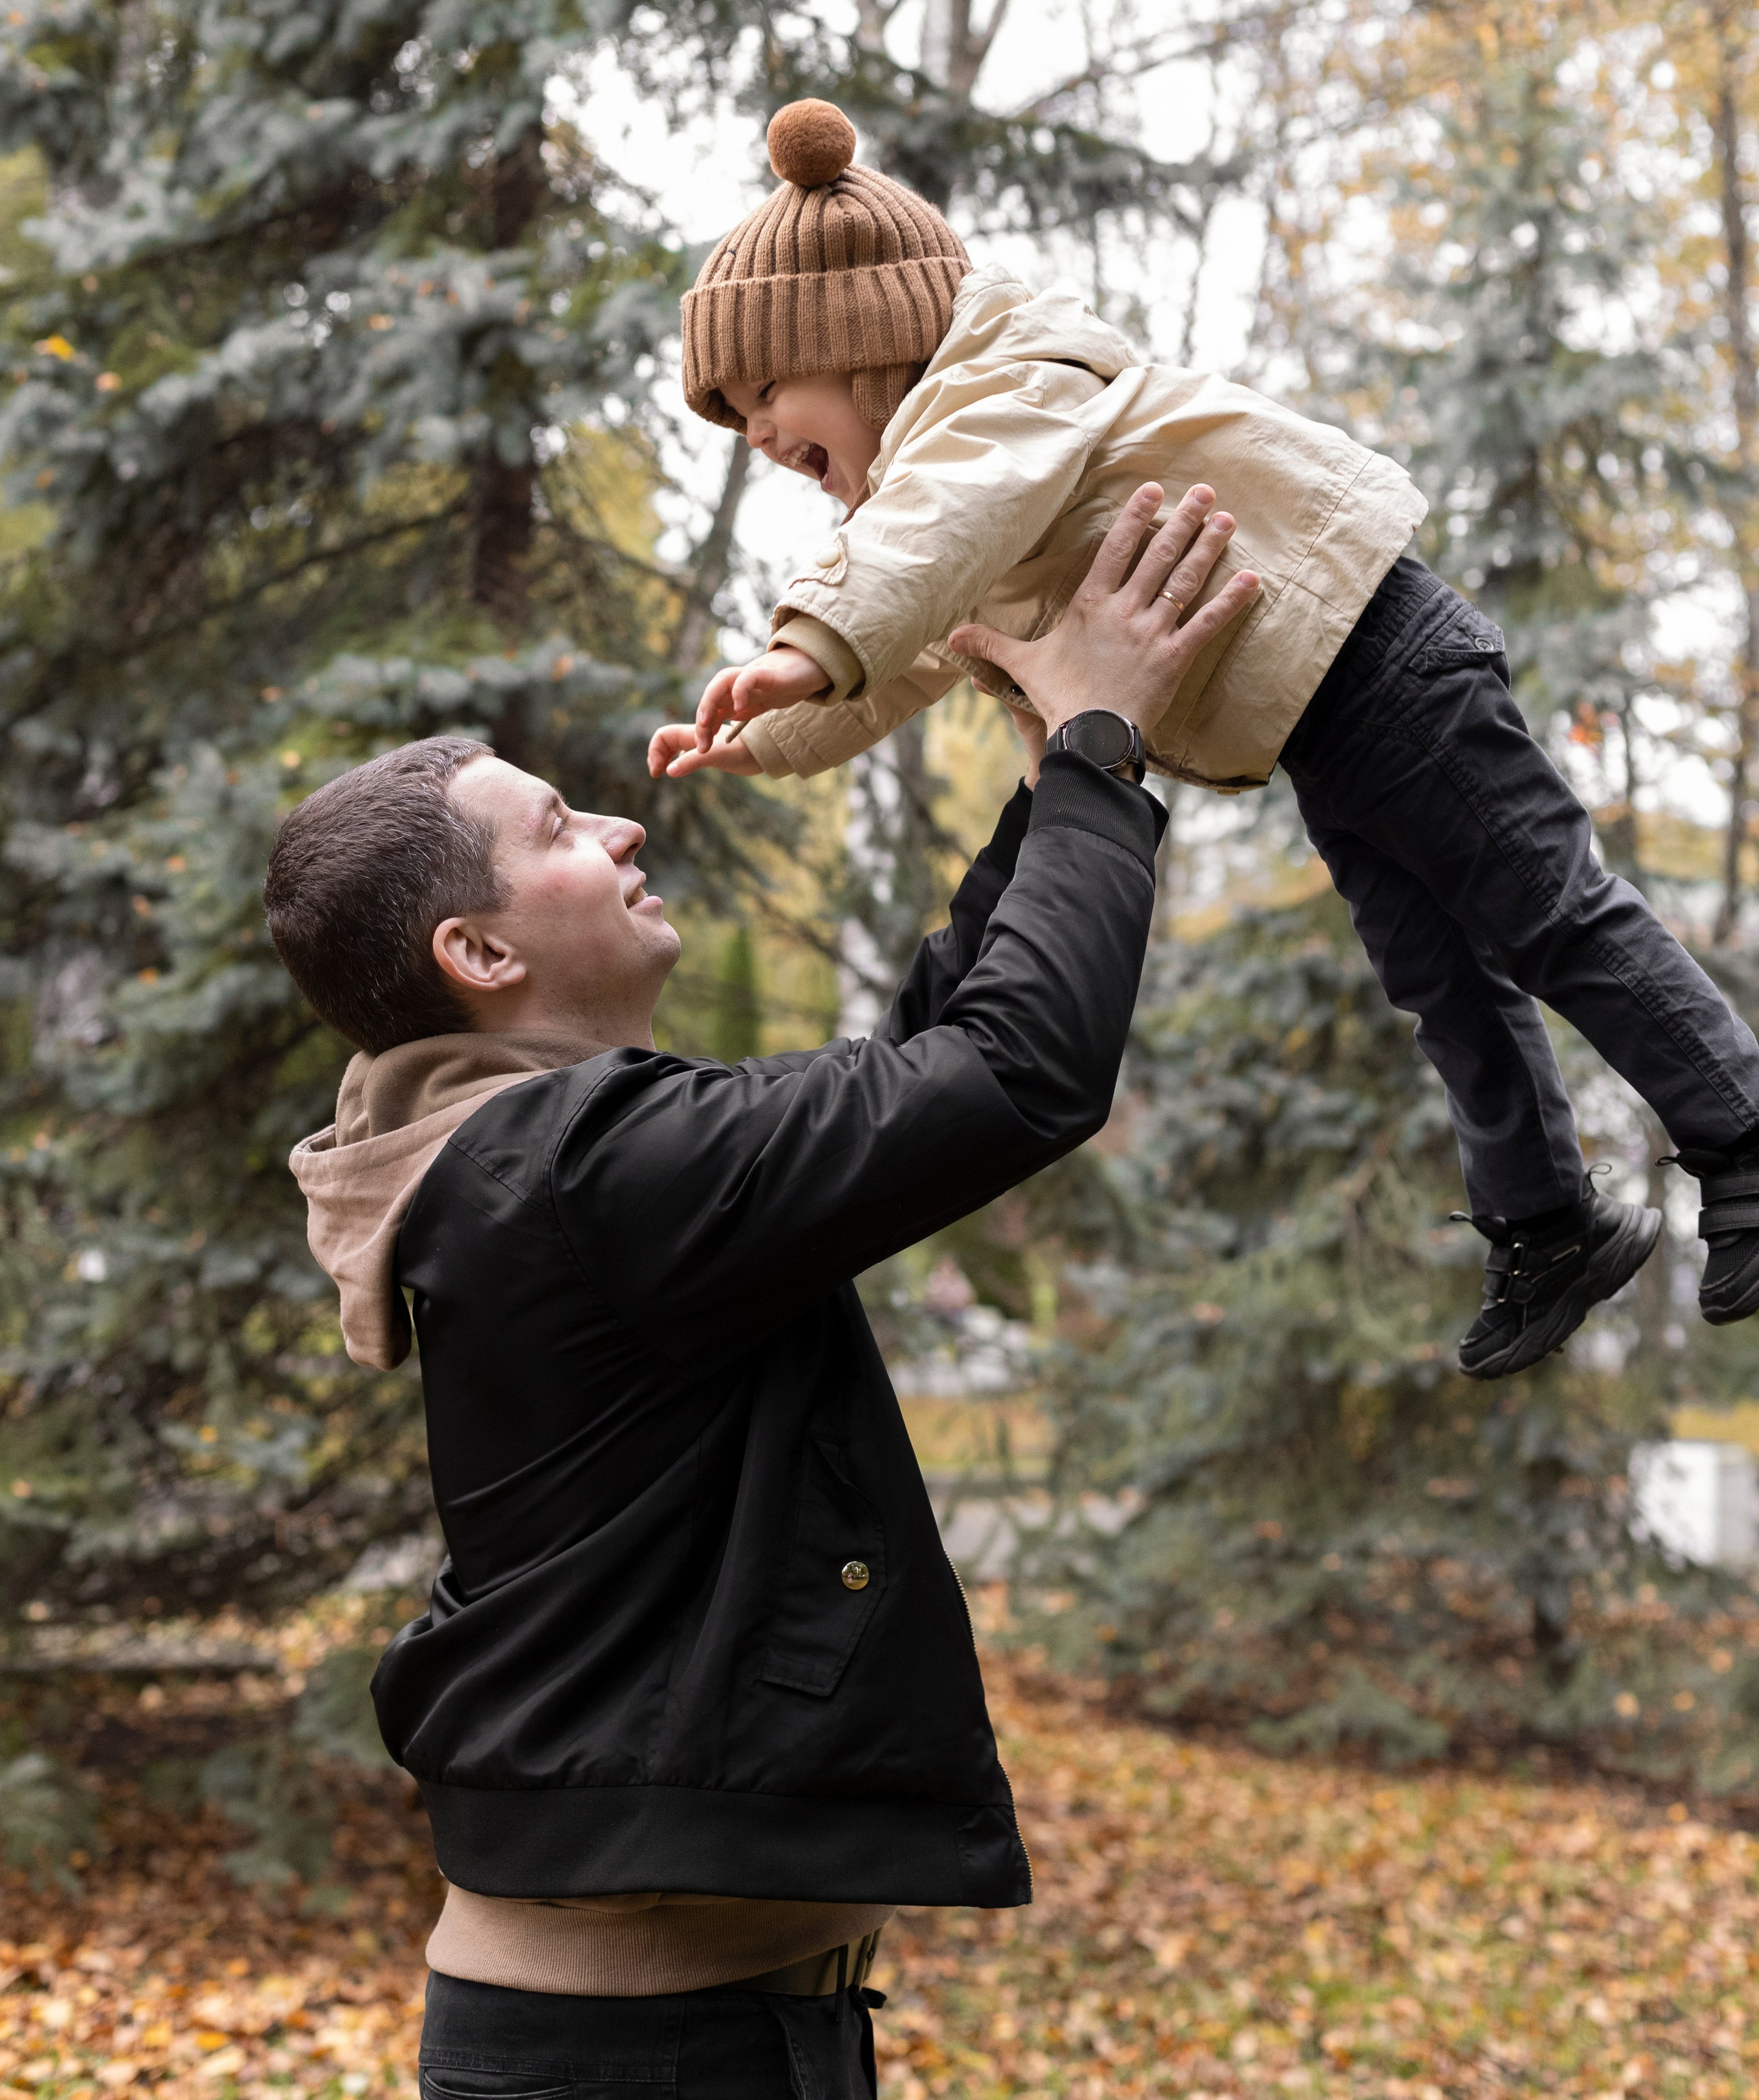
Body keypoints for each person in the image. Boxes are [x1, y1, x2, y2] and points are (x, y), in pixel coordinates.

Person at [266, 492, 1257, 2100]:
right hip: (644, 2052)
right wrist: (1095, 754)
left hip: (688, 2031)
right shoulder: (575, 1169)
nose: (620, 828)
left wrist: (1048, 771)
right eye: (557, 833)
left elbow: (917, 1072)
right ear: (480, 952)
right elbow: (1013, 1075)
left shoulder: (547, 1160)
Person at [647, 95, 1759, 1380]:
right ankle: (1545, 1220)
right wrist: (781, 724)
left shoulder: (1002, 390)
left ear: (862, 338)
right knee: (1442, 974)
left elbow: (913, 548)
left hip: (1381, 651)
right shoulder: (955, 503)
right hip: (1323, 717)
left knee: (1547, 910)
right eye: (732, 418)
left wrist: (803, 642)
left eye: (765, 391)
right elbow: (910, 644)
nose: (758, 433)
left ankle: (1738, 1132)